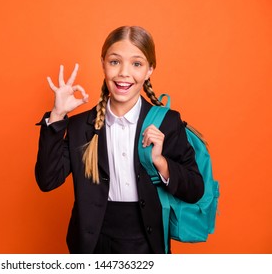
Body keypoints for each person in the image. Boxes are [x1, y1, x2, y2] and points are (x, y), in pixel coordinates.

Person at [35, 25, 204, 254]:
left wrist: (161, 162)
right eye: (115, 62)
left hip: (147, 244)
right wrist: (57, 116)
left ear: (149, 70)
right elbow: (47, 180)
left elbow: (195, 189)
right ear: (103, 63)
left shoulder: (166, 122)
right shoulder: (80, 126)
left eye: (136, 63)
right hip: (92, 245)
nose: (124, 72)